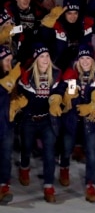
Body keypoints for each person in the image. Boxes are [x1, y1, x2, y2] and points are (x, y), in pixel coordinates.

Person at [59, 43, 95, 202]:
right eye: (82, 58)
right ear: (78, 60)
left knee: (92, 153)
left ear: (93, 60)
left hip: (90, 123)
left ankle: (90, 185)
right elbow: (70, 98)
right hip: (72, 121)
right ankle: (64, 167)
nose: (85, 61)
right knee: (66, 148)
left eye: (88, 58)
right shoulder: (72, 75)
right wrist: (71, 97)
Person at [17, 43, 64, 203]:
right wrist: (18, 102)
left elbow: (65, 88)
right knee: (26, 148)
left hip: (47, 119)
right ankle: (24, 167)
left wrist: (58, 99)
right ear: (36, 59)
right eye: (41, 56)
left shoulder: (57, 74)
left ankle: (48, 186)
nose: (45, 59)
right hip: (29, 119)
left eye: (47, 56)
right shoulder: (27, 76)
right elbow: (17, 93)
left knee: (50, 153)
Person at [0, 45, 23, 204]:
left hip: (7, 124)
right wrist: (9, 80)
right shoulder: (9, 78)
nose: (9, 64)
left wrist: (17, 103)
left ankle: (4, 187)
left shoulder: (12, 77)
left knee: (5, 156)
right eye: (6, 61)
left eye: (10, 60)